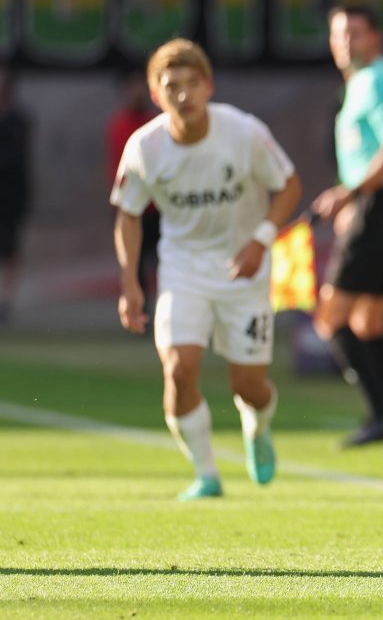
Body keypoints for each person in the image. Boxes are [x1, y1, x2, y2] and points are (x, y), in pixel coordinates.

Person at [111, 39, 302, 500]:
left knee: (249, 385)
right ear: (155, 94)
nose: (183, 94)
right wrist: (130, 283)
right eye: (171, 86)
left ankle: (258, 426)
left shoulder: (244, 132)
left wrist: (261, 240)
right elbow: (128, 214)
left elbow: (289, 185)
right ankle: (206, 474)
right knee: (178, 369)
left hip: (245, 272)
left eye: (192, 84)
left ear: (209, 86)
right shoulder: (145, 147)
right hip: (183, 270)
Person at [311, 6, 383, 447]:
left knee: (329, 317)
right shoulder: (361, 83)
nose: (345, 42)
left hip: (380, 210)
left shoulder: (376, 79)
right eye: (338, 34)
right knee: (368, 323)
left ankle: (381, 415)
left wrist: (349, 194)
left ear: (375, 38)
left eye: (354, 33)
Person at [107, 68, 160, 311]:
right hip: (132, 207)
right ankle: (139, 310)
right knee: (134, 263)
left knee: (164, 262)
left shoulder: (157, 125)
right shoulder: (118, 125)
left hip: (159, 207)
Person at [0, 67, 29, 325]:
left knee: (9, 250)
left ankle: (6, 301)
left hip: (9, 199)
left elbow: (16, 160)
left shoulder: (18, 120)